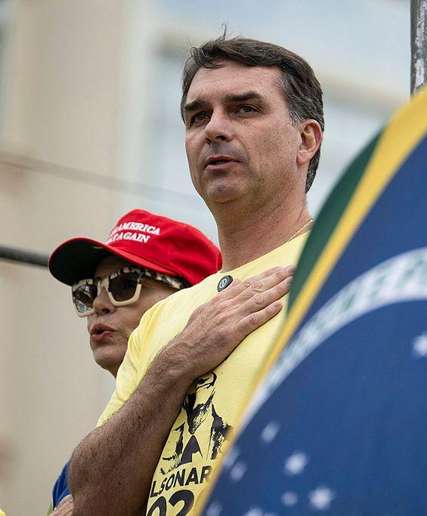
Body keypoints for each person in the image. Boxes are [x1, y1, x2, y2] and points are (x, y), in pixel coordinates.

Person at [67, 35, 324, 514]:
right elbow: (92, 501)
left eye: (245, 109)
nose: (214, 129)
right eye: (197, 116)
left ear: (305, 140)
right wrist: (177, 362)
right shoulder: (161, 320)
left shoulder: (339, 268)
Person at [46, 208, 223, 514]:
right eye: (88, 292)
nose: (100, 304)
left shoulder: (221, 424)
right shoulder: (76, 473)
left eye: (125, 285)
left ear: (192, 300)